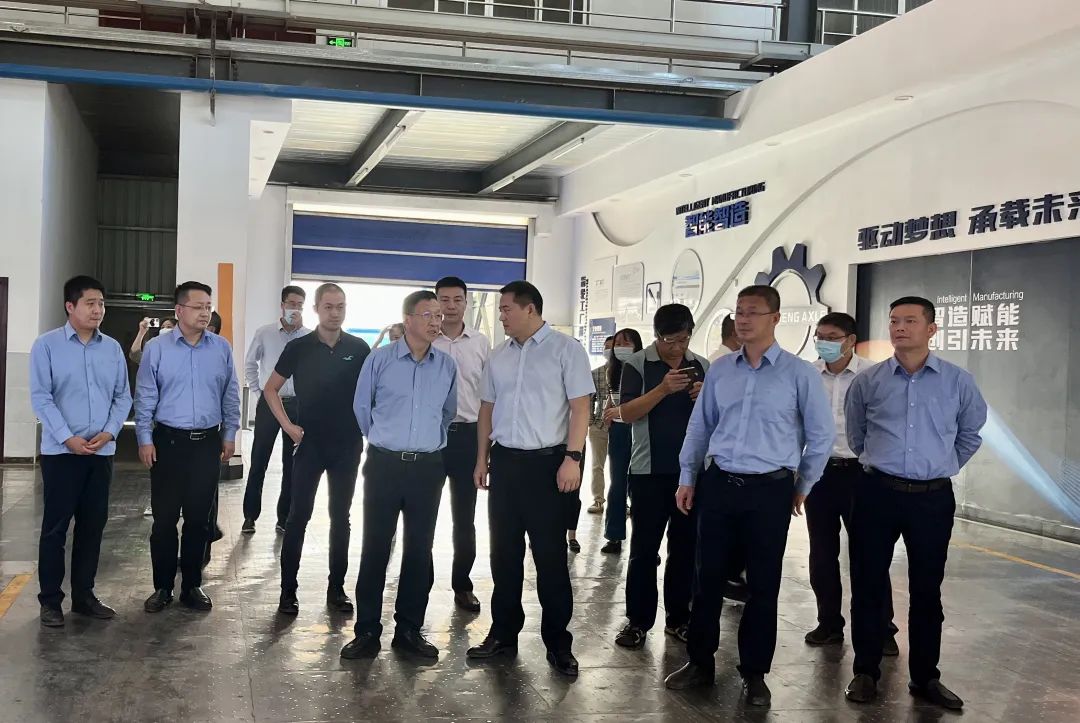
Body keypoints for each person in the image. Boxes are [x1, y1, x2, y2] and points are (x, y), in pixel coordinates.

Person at [664, 285, 834, 708]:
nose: (743, 320)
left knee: (762, 583)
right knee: (706, 578)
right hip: (719, 484)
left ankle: (755, 673)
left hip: (770, 489)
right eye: (739, 312)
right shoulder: (722, 370)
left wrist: (802, 486)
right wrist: (688, 476)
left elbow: (820, 436)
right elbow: (700, 427)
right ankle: (699, 661)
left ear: (775, 319)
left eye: (752, 312)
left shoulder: (799, 374)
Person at [843, 297, 986, 711]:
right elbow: (857, 435)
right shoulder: (869, 381)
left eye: (909, 321)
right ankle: (865, 672)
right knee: (868, 584)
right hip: (876, 493)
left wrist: (941, 466)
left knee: (927, 589)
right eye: (894, 321)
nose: (899, 328)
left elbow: (970, 433)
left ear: (931, 329)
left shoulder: (957, 381)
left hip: (931, 498)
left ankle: (925, 677)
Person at [467, 281, 594, 678]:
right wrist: (482, 458)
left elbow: (580, 408)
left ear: (530, 309)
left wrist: (573, 458)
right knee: (503, 556)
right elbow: (487, 409)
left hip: (549, 466)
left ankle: (558, 643)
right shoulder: (499, 355)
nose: (501, 315)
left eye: (506, 309)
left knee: (550, 558)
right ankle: (503, 634)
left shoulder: (566, 350)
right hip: (506, 464)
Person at [341, 291, 458, 660]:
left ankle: (409, 630)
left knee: (420, 550)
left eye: (439, 315)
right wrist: (386, 439)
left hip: (427, 468)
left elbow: (447, 413)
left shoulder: (446, 365)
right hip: (384, 465)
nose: (436, 322)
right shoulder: (380, 360)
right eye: (428, 315)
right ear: (408, 320)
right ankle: (367, 631)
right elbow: (362, 408)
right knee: (376, 546)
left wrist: (423, 444)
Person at [30, 276, 132, 627]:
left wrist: (110, 432)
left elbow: (122, 396)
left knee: (92, 526)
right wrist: (66, 438)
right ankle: (50, 601)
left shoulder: (112, 349)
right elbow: (41, 397)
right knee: (55, 528)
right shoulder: (46, 346)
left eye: (101, 303)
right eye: (90, 303)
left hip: (100, 453)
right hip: (61, 454)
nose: (98, 309)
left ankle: (84, 596)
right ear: (70, 306)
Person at [264, 282, 370, 616]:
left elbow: (371, 393)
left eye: (340, 307)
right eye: (328, 307)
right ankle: (287, 591)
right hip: (309, 445)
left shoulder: (359, 348)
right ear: (316, 309)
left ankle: (336, 589)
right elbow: (270, 389)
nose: (335, 313)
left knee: (341, 517)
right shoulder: (299, 347)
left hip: (347, 446)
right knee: (298, 517)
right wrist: (288, 426)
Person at [136, 281, 240, 613]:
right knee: (165, 521)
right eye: (198, 307)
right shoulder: (157, 348)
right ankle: (163, 587)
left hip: (207, 444)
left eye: (208, 306)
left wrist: (230, 434)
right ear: (179, 310)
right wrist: (144, 439)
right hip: (168, 443)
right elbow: (145, 397)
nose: (205, 313)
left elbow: (230, 394)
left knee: (199, 520)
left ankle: (192, 585)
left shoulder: (220, 348)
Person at [608, 305, 706, 649]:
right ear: (656, 336)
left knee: (685, 550)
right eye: (670, 340)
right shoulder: (638, 364)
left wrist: (704, 397)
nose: (677, 347)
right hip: (648, 471)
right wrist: (663, 389)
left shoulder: (702, 366)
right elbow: (626, 413)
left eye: (683, 339)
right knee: (644, 550)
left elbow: (716, 418)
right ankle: (638, 621)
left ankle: (679, 619)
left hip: (690, 474)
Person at [804, 313, 899, 655]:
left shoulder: (872, 375)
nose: (823, 343)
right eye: (819, 336)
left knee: (869, 554)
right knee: (822, 553)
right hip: (819, 474)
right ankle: (829, 623)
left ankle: (881, 629)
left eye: (831, 337)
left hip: (862, 474)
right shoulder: (808, 375)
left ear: (850, 341)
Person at [432, 276, 490, 613]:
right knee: (422, 514)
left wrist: (484, 453)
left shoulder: (481, 344)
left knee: (464, 519)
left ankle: (462, 585)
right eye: (444, 299)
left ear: (466, 303)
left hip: (468, 437)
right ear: (436, 302)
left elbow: (488, 400)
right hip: (431, 437)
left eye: (457, 300)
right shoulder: (426, 339)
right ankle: (419, 581)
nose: (451, 306)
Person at [241, 286, 311, 535]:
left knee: (292, 464)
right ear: (282, 305)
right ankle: (250, 516)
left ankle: (284, 517)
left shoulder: (309, 337)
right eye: (292, 303)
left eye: (300, 305)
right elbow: (250, 364)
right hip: (270, 403)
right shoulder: (265, 333)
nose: (295, 309)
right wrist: (260, 393)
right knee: (259, 459)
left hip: (297, 404)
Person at [599, 328, 644, 554]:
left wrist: (621, 411)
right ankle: (614, 536)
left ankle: (645, 542)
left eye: (626, 343)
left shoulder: (643, 368)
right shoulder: (612, 370)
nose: (620, 347)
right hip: (618, 430)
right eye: (618, 343)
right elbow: (611, 397)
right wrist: (609, 411)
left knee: (641, 486)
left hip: (640, 429)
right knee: (617, 484)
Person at [139, 317, 177, 517]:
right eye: (163, 327)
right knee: (163, 485)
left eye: (170, 327)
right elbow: (134, 353)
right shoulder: (154, 348)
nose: (165, 330)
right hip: (162, 427)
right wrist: (142, 331)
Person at [587, 336, 615, 516]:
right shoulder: (596, 373)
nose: (608, 350)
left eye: (612, 346)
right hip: (599, 425)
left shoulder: (629, 372)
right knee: (598, 465)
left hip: (622, 425)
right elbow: (590, 400)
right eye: (606, 347)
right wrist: (590, 422)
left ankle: (621, 500)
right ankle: (598, 499)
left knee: (620, 465)